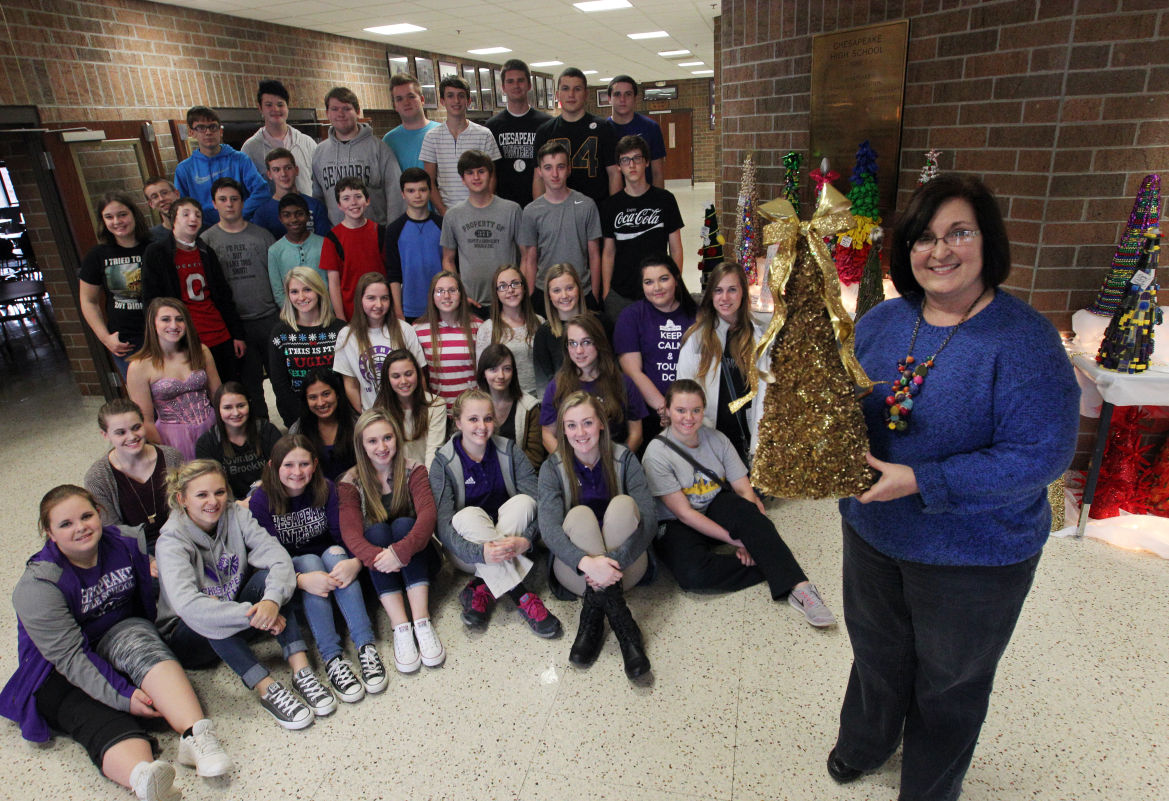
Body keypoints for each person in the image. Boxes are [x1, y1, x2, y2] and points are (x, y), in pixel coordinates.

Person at [826, 175, 1079, 800]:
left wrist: (922, 479)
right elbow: (845, 408)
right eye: (924, 237)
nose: (939, 251)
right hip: (874, 533)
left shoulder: (1025, 341)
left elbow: (1039, 455)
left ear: (987, 242)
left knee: (951, 683)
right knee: (876, 655)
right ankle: (867, 741)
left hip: (975, 553)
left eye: (958, 233)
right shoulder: (884, 321)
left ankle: (929, 790)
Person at [0, 486, 232, 801]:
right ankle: (142, 776)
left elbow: (147, 603)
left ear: (99, 513)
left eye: (86, 516)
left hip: (115, 633)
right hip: (55, 668)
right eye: (65, 524)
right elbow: (70, 657)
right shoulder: (38, 585)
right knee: (98, 716)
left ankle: (197, 738)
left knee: (143, 642)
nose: (80, 527)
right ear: (49, 533)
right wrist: (122, 695)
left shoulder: (124, 541)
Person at [155, 460, 336, 729]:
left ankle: (301, 671)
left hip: (240, 613)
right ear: (181, 498)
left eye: (219, 492)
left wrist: (271, 602)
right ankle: (266, 687)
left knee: (269, 582)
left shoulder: (235, 515)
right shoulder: (171, 541)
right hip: (188, 636)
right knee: (209, 613)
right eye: (201, 495)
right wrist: (253, 615)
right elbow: (190, 607)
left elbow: (278, 558)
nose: (213, 501)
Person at [642, 380, 836, 626]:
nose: (688, 418)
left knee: (749, 512)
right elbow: (685, 514)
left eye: (696, 410)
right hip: (676, 522)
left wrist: (753, 525)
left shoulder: (717, 439)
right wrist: (741, 541)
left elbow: (744, 490)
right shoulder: (656, 454)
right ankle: (769, 564)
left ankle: (801, 588)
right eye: (680, 410)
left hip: (714, 505)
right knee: (693, 575)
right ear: (667, 411)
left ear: (703, 410)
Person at [249, 434, 387, 703]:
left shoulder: (326, 488)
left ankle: (365, 646)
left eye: (304, 464)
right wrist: (300, 579)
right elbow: (265, 558)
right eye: (288, 465)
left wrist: (354, 563)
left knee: (336, 555)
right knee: (309, 561)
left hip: (329, 557)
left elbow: (343, 535)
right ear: (272, 467)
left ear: (314, 464)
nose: (297, 473)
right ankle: (333, 658)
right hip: (291, 568)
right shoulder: (261, 501)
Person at [537, 391, 655, 679]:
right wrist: (588, 564)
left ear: (601, 423)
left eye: (587, 422)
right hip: (577, 572)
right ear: (563, 430)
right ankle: (625, 627)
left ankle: (592, 618)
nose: (580, 432)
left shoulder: (624, 459)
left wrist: (610, 563)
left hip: (624, 568)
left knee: (624, 505)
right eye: (572, 425)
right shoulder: (552, 468)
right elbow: (550, 530)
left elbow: (649, 519)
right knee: (579, 516)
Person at [429, 389, 561, 638]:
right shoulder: (443, 463)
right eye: (473, 419)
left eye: (488, 418)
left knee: (524, 502)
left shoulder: (509, 451)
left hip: (513, 541)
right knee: (466, 515)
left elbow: (540, 504)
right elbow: (444, 528)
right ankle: (522, 595)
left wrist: (527, 540)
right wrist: (480, 552)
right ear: (457, 422)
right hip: (468, 552)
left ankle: (481, 587)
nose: (482, 426)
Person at [338, 410, 445, 673]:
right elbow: (351, 533)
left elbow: (428, 517)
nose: (382, 447)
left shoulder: (414, 470)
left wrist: (399, 552)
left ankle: (421, 622)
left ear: (396, 438)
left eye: (387, 438)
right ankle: (401, 628)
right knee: (375, 532)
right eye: (372, 441)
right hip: (380, 568)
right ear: (361, 446)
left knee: (404, 525)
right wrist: (380, 557)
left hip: (419, 559)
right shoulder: (350, 481)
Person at [141, 197, 245, 385]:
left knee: (229, 387)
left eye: (197, 214)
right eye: (186, 214)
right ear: (173, 219)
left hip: (218, 332)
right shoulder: (157, 253)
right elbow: (151, 300)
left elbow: (223, 296)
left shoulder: (206, 251)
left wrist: (236, 334)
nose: (193, 218)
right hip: (185, 337)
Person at [200, 177, 279, 418]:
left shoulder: (262, 236)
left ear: (243, 202)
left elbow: (276, 278)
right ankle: (262, 430)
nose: (229, 204)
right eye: (223, 199)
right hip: (238, 325)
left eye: (234, 199)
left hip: (269, 318)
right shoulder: (207, 241)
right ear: (214, 203)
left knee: (281, 377)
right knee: (250, 385)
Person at [676, 262, 768, 466]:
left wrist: (761, 447)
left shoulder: (759, 339)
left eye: (732, 290)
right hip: (708, 439)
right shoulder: (696, 340)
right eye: (718, 290)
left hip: (745, 438)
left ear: (743, 293)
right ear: (711, 296)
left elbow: (766, 396)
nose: (725, 298)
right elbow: (683, 394)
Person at [614, 254, 697, 448]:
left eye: (664, 279)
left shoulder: (696, 315)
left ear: (676, 279)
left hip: (692, 413)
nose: (657, 288)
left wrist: (683, 412)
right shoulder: (631, 316)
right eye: (649, 282)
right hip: (650, 416)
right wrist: (665, 409)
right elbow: (632, 371)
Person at [600, 135, 684, 322]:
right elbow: (608, 252)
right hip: (621, 294)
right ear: (619, 166)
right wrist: (606, 292)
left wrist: (674, 283)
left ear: (646, 162)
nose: (632, 165)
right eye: (625, 160)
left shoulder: (665, 200)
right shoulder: (611, 206)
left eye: (637, 158)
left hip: (658, 291)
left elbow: (676, 248)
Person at [84, 398, 184, 553]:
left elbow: (186, 506)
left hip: (180, 536)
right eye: (120, 433)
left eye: (136, 427)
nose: (131, 437)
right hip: (134, 549)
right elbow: (112, 530)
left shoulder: (172, 457)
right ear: (105, 435)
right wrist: (146, 561)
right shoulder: (97, 478)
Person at [126, 298, 220, 461]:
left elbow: (218, 396)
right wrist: (166, 454)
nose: (174, 325)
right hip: (173, 437)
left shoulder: (201, 351)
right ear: (153, 324)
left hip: (211, 426)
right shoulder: (139, 366)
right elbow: (145, 420)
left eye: (179, 319)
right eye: (165, 319)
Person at [541, 313, 647, 453]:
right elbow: (547, 435)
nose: (579, 351)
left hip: (614, 460)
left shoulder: (622, 382)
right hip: (572, 465)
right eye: (572, 343)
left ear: (599, 343)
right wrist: (568, 467)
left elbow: (636, 435)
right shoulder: (557, 386)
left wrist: (618, 464)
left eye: (586, 342)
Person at [518, 141, 603, 312]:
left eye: (560, 167)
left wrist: (593, 294)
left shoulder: (586, 205)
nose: (555, 174)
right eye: (548, 168)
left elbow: (594, 255)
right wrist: (530, 296)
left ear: (569, 169)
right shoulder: (531, 211)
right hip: (545, 294)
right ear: (540, 172)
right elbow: (529, 258)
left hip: (581, 292)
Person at [439, 150, 522, 314]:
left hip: (508, 299)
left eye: (481, 171)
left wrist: (521, 291)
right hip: (470, 301)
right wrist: (459, 293)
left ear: (491, 175)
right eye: (470, 173)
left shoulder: (512, 210)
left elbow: (527, 256)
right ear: (463, 179)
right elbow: (448, 260)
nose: (476, 177)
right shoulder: (452, 215)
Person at [79, 192, 152, 377]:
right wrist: (105, 338)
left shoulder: (153, 248)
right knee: (141, 400)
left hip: (161, 335)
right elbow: (88, 301)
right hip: (126, 341)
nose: (117, 221)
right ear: (103, 221)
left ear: (134, 214)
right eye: (109, 217)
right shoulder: (97, 255)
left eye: (122, 214)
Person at [311, 87, 403, 226]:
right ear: (327, 113)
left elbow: (396, 195)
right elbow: (318, 199)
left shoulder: (379, 149)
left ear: (358, 112)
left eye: (346, 108)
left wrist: (392, 234)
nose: (340, 114)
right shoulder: (319, 152)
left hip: (375, 235)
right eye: (334, 109)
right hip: (337, 237)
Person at [333, 272, 425, 412]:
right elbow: (351, 384)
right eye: (371, 298)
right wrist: (366, 417)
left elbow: (419, 376)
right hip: (371, 417)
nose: (379, 304)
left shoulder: (405, 330)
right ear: (360, 300)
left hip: (406, 413)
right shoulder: (346, 335)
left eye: (384, 298)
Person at [267, 267, 345, 427]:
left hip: (339, 414)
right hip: (298, 417)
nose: (301, 297)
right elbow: (279, 384)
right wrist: (302, 418)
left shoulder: (340, 330)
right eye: (294, 291)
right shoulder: (280, 333)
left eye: (307, 289)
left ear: (318, 290)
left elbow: (348, 380)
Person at [532, 67, 620, 207]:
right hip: (558, 212)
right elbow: (538, 178)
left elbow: (614, 173)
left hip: (598, 211)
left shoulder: (604, 128)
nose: (571, 94)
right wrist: (540, 212)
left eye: (577, 89)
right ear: (557, 95)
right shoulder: (545, 131)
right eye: (565, 89)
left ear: (586, 94)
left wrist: (614, 210)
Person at [173, 105, 269, 227]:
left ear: (221, 131)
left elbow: (262, 191)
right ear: (192, 132)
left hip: (241, 226)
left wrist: (238, 215)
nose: (208, 132)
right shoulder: (184, 169)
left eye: (213, 127)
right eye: (201, 128)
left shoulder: (240, 160)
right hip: (205, 232)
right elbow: (182, 206)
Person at [420, 75, 502, 215]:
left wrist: (483, 208)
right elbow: (430, 181)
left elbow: (492, 176)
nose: (456, 101)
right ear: (442, 101)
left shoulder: (484, 134)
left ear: (469, 101)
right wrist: (443, 211)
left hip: (479, 212)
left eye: (461, 96)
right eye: (450, 96)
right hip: (446, 214)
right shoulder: (431, 137)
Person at [195, 382, 282, 499]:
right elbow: (209, 485)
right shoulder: (206, 443)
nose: (236, 413)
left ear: (249, 405)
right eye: (227, 408)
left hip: (271, 497)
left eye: (241, 406)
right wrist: (237, 505)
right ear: (217, 409)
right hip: (230, 506)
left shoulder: (267, 431)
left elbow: (284, 469)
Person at [485, 58, 551, 208]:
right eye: (510, 81)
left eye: (520, 80)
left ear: (529, 85)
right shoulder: (491, 126)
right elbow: (490, 172)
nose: (516, 85)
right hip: (503, 206)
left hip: (540, 204)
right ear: (503, 87)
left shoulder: (546, 124)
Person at [320, 177, 387, 321]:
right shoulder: (332, 238)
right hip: (351, 314)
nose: (353, 203)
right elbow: (334, 283)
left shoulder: (380, 232)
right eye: (346, 198)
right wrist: (340, 317)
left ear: (367, 200)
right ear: (339, 205)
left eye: (358, 196)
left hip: (381, 310)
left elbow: (390, 274)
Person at [413, 270, 481, 413]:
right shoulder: (418, 329)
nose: (446, 296)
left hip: (472, 408)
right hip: (439, 411)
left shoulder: (478, 326)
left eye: (452, 290)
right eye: (440, 291)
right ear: (432, 297)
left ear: (461, 294)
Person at [475, 264, 544, 396]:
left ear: (524, 287)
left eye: (515, 283)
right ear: (496, 293)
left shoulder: (539, 323)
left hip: (538, 399)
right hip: (505, 400)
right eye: (502, 286)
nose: (510, 290)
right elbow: (482, 375)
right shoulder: (487, 328)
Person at [240, 79, 318, 197]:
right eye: (269, 105)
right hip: (271, 213)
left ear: (288, 107)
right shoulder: (250, 149)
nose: (275, 109)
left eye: (280, 104)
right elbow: (247, 189)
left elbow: (318, 183)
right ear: (260, 109)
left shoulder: (307, 143)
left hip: (307, 211)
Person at [385, 167, 444, 322]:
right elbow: (393, 274)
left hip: (444, 305)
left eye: (422, 190)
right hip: (409, 308)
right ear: (402, 194)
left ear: (430, 191)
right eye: (411, 191)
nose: (417, 195)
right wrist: (398, 310)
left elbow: (453, 266)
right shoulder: (393, 230)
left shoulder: (443, 225)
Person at [372, 349, 447, 469]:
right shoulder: (380, 411)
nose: (403, 381)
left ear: (417, 373)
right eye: (396, 376)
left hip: (427, 474)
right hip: (396, 477)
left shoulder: (436, 405)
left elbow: (433, 451)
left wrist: (424, 484)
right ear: (388, 379)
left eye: (408, 374)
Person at [476, 343, 544, 471]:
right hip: (481, 473)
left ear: (513, 372)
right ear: (483, 373)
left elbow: (535, 457)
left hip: (519, 476)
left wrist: (503, 472)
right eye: (493, 369)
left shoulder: (530, 407)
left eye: (507, 368)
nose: (501, 376)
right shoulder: (471, 406)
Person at [289, 368, 357, 481]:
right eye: (313, 397)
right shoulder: (297, 430)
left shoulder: (356, 424)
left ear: (337, 394)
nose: (320, 402)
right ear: (305, 401)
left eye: (326, 394)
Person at [250, 148, 330, 239]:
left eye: (288, 168)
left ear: (296, 170)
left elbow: (324, 245)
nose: (283, 174)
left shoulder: (315, 206)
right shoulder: (262, 213)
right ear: (269, 175)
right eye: (276, 170)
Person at [532, 263, 587, 389]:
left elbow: (611, 371)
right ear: (549, 296)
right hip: (560, 404)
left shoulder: (600, 323)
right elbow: (543, 385)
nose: (564, 296)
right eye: (557, 290)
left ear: (579, 288)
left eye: (569, 288)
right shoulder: (544, 333)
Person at [267, 194, 328, 306]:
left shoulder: (325, 244)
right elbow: (279, 292)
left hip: (326, 313)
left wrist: (328, 312)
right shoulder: (274, 251)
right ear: (280, 218)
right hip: (294, 317)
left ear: (308, 216)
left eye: (299, 214)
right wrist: (293, 317)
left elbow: (332, 283)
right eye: (287, 215)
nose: (294, 219)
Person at [606, 76, 666, 188]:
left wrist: (658, 202)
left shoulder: (651, 128)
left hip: (645, 198)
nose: (622, 99)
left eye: (628, 94)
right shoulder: (603, 130)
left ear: (635, 98)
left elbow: (657, 173)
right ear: (609, 98)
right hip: (612, 199)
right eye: (617, 94)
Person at [382, 72, 440, 172]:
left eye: (411, 96)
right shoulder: (389, 141)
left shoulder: (442, 132)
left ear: (422, 99)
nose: (406, 102)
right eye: (399, 99)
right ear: (395, 105)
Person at [143, 176, 179, 243]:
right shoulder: (150, 238)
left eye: (165, 193)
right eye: (155, 197)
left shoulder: (197, 227)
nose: (161, 199)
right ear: (151, 204)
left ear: (177, 194)